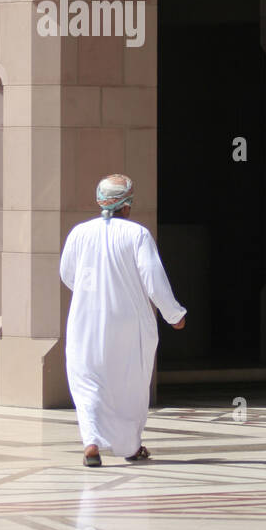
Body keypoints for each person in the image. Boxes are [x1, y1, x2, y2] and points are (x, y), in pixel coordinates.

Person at [59, 174, 187, 467]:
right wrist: (174, 315)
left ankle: (91, 442)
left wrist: (93, 291)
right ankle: (130, 445)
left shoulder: (79, 233)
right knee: (129, 384)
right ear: (127, 206)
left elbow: (68, 275)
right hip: (129, 324)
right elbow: (154, 280)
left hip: (86, 323)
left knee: (88, 381)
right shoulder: (137, 234)